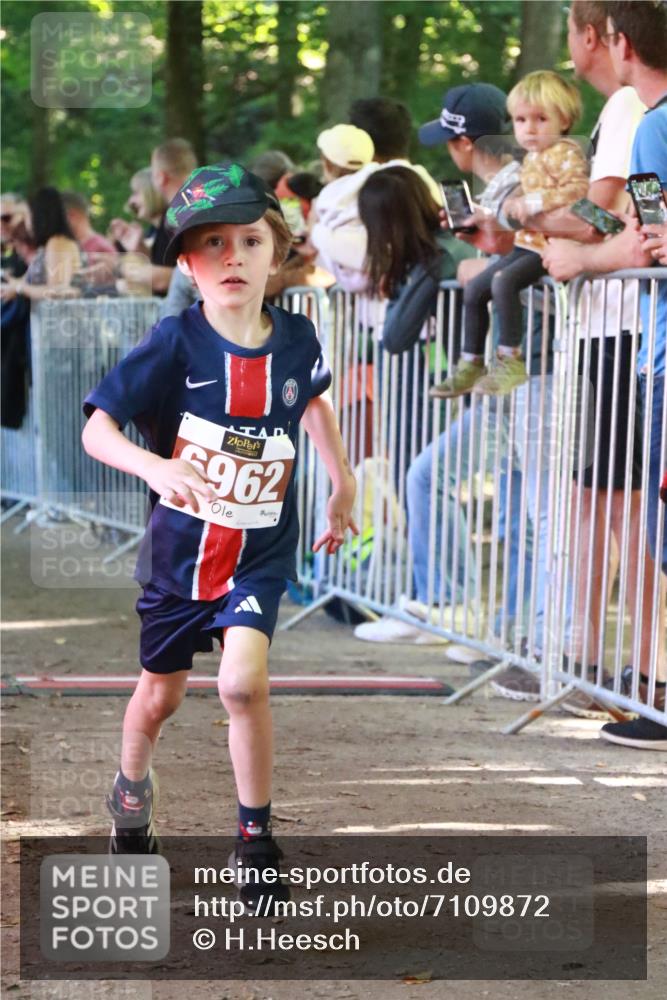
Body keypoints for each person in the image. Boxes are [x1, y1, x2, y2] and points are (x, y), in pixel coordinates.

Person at [81, 163, 357, 908]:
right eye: (212, 244)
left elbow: (313, 403)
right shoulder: (174, 342)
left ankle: (254, 840)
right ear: (186, 262)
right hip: (180, 556)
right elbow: (97, 429)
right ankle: (130, 795)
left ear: (278, 253)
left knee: (241, 683)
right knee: (159, 697)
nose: (232, 256)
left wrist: (342, 482)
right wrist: (155, 467)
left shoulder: (296, 338)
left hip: (258, 551)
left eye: (249, 241)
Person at [543, 0, 667, 749]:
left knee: (644, 515)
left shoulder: (641, 117)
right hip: (641, 341)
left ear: (609, 40)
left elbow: (643, 233)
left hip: (644, 342)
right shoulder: (636, 116)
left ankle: (648, 683)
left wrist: (552, 234)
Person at [432, 70, 589, 398]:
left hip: (547, 247)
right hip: (526, 242)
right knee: (476, 288)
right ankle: (470, 361)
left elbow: (578, 190)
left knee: (503, 282)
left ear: (564, 120)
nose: (529, 129)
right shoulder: (530, 158)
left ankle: (509, 360)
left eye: (540, 119)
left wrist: (533, 202)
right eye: (520, 120)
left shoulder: (566, 153)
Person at [309, 97, 442, 290]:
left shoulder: (374, 187)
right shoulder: (423, 180)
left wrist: (316, 232)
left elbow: (363, 254)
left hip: (391, 299)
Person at [0, 187, 81, 303]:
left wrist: (19, 288)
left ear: (39, 216)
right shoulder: (51, 244)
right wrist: (12, 285)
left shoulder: (57, 243)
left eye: (27, 215)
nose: (26, 222)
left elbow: (58, 291)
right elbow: (25, 281)